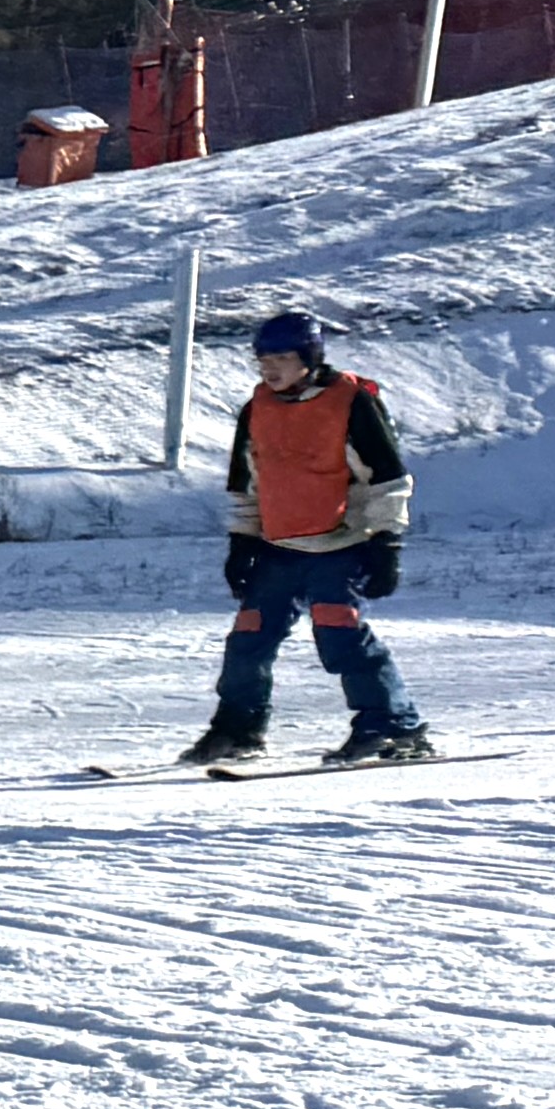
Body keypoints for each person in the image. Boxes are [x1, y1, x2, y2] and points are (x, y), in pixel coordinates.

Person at [187, 309, 429, 768]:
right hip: (278, 548)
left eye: (281, 358)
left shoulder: (351, 403)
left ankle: (393, 725)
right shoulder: (257, 409)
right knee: (247, 640)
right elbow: (247, 484)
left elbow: (387, 480)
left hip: (341, 544)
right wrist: (241, 545)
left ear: (308, 359)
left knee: (341, 637)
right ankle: (238, 728)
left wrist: (386, 542)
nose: (270, 369)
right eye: (263, 360)